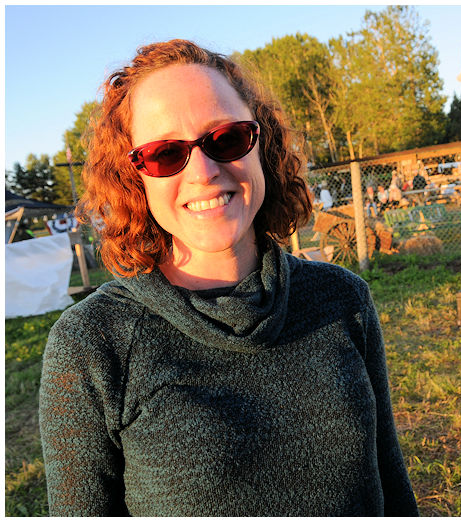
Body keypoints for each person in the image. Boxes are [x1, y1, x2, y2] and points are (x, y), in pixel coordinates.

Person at [39, 39, 418, 517]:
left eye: (226, 138)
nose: (203, 171)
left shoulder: (343, 299)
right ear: (135, 178)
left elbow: (391, 484)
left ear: (263, 144)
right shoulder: (92, 343)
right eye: (164, 153)